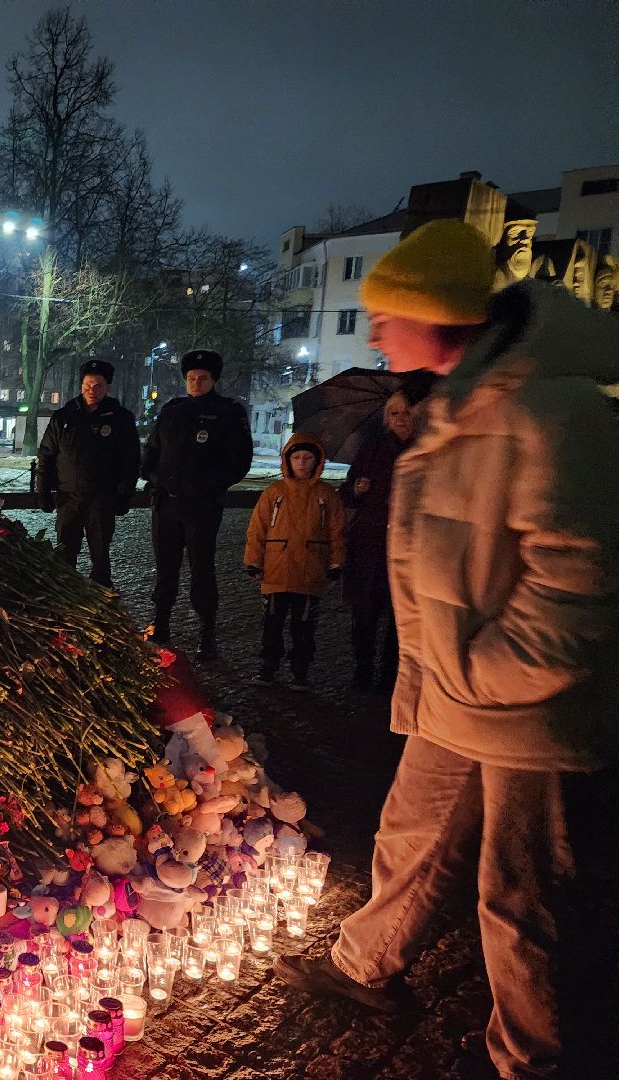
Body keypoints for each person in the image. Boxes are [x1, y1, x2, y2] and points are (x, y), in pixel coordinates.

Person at [273, 219, 619, 1080]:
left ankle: (539, 1056)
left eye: (386, 315)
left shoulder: (554, 413)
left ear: (440, 319)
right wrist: (446, 673)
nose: (376, 331)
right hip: (455, 688)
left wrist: (481, 670)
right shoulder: (455, 405)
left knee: (523, 893)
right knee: (413, 830)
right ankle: (368, 962)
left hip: (529, 706)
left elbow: (578, 588)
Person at [141, 348, 253, 658]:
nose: (196, 383)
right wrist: (152, 476)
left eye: (202, 378)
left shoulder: (229, 412)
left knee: (202, 568)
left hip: (201, 507)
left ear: (213, 379)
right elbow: (151, 450)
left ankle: (208, 631)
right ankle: (161, 622)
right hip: (166, 505)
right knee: (165, 568)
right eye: (191, 378)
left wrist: (206, 486)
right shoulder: (172, 410)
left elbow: (238, 461)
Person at [242, 433, 345, 689]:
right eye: (296, 457)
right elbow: (258, 529)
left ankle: (301, 670)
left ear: (317, 460)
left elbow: (337, 532)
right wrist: (253, 560)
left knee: (304, 626)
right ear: (287, 460)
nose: (301, 463)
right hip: (277, 569)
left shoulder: (326, 495)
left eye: (307, 458)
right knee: (272, 625)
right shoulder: (274, 493)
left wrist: (335, 565)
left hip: (310, 571)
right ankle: (268, 668)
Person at [36, 359, 141, 588]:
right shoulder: (64, 417)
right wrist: (42, 489)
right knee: (65, 553)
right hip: (68, 498)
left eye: (98, 386)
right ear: (81, 386)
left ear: (107, 387)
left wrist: (124, 494)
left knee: (100, 555)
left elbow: (131, 460)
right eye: (87, 386)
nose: (92, 391)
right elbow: (46, 455)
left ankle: (101, 598)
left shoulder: (120, 418)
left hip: (102, 499)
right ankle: (66, 597)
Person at [337, 392, 415, 691]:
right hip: (371, 541)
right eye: (394, 413)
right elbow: (347, 492)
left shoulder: (424, 450)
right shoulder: (373, 447)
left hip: (409, 543)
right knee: (365, 610)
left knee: (401, 615)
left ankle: (391, 674)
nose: (400, 418)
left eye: (406, 412)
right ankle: (363, 667)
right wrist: (357, 488)